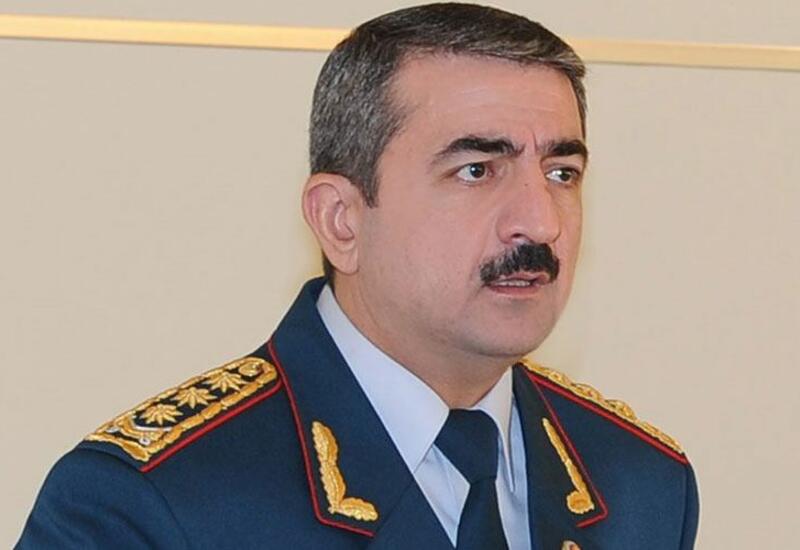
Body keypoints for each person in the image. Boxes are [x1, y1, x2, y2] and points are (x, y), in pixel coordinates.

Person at [17, 3, 698, 549]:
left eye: (561, 173)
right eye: (476, 170)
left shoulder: (639, 483)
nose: (540, 222)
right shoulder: (153, 501)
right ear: (341, 220)